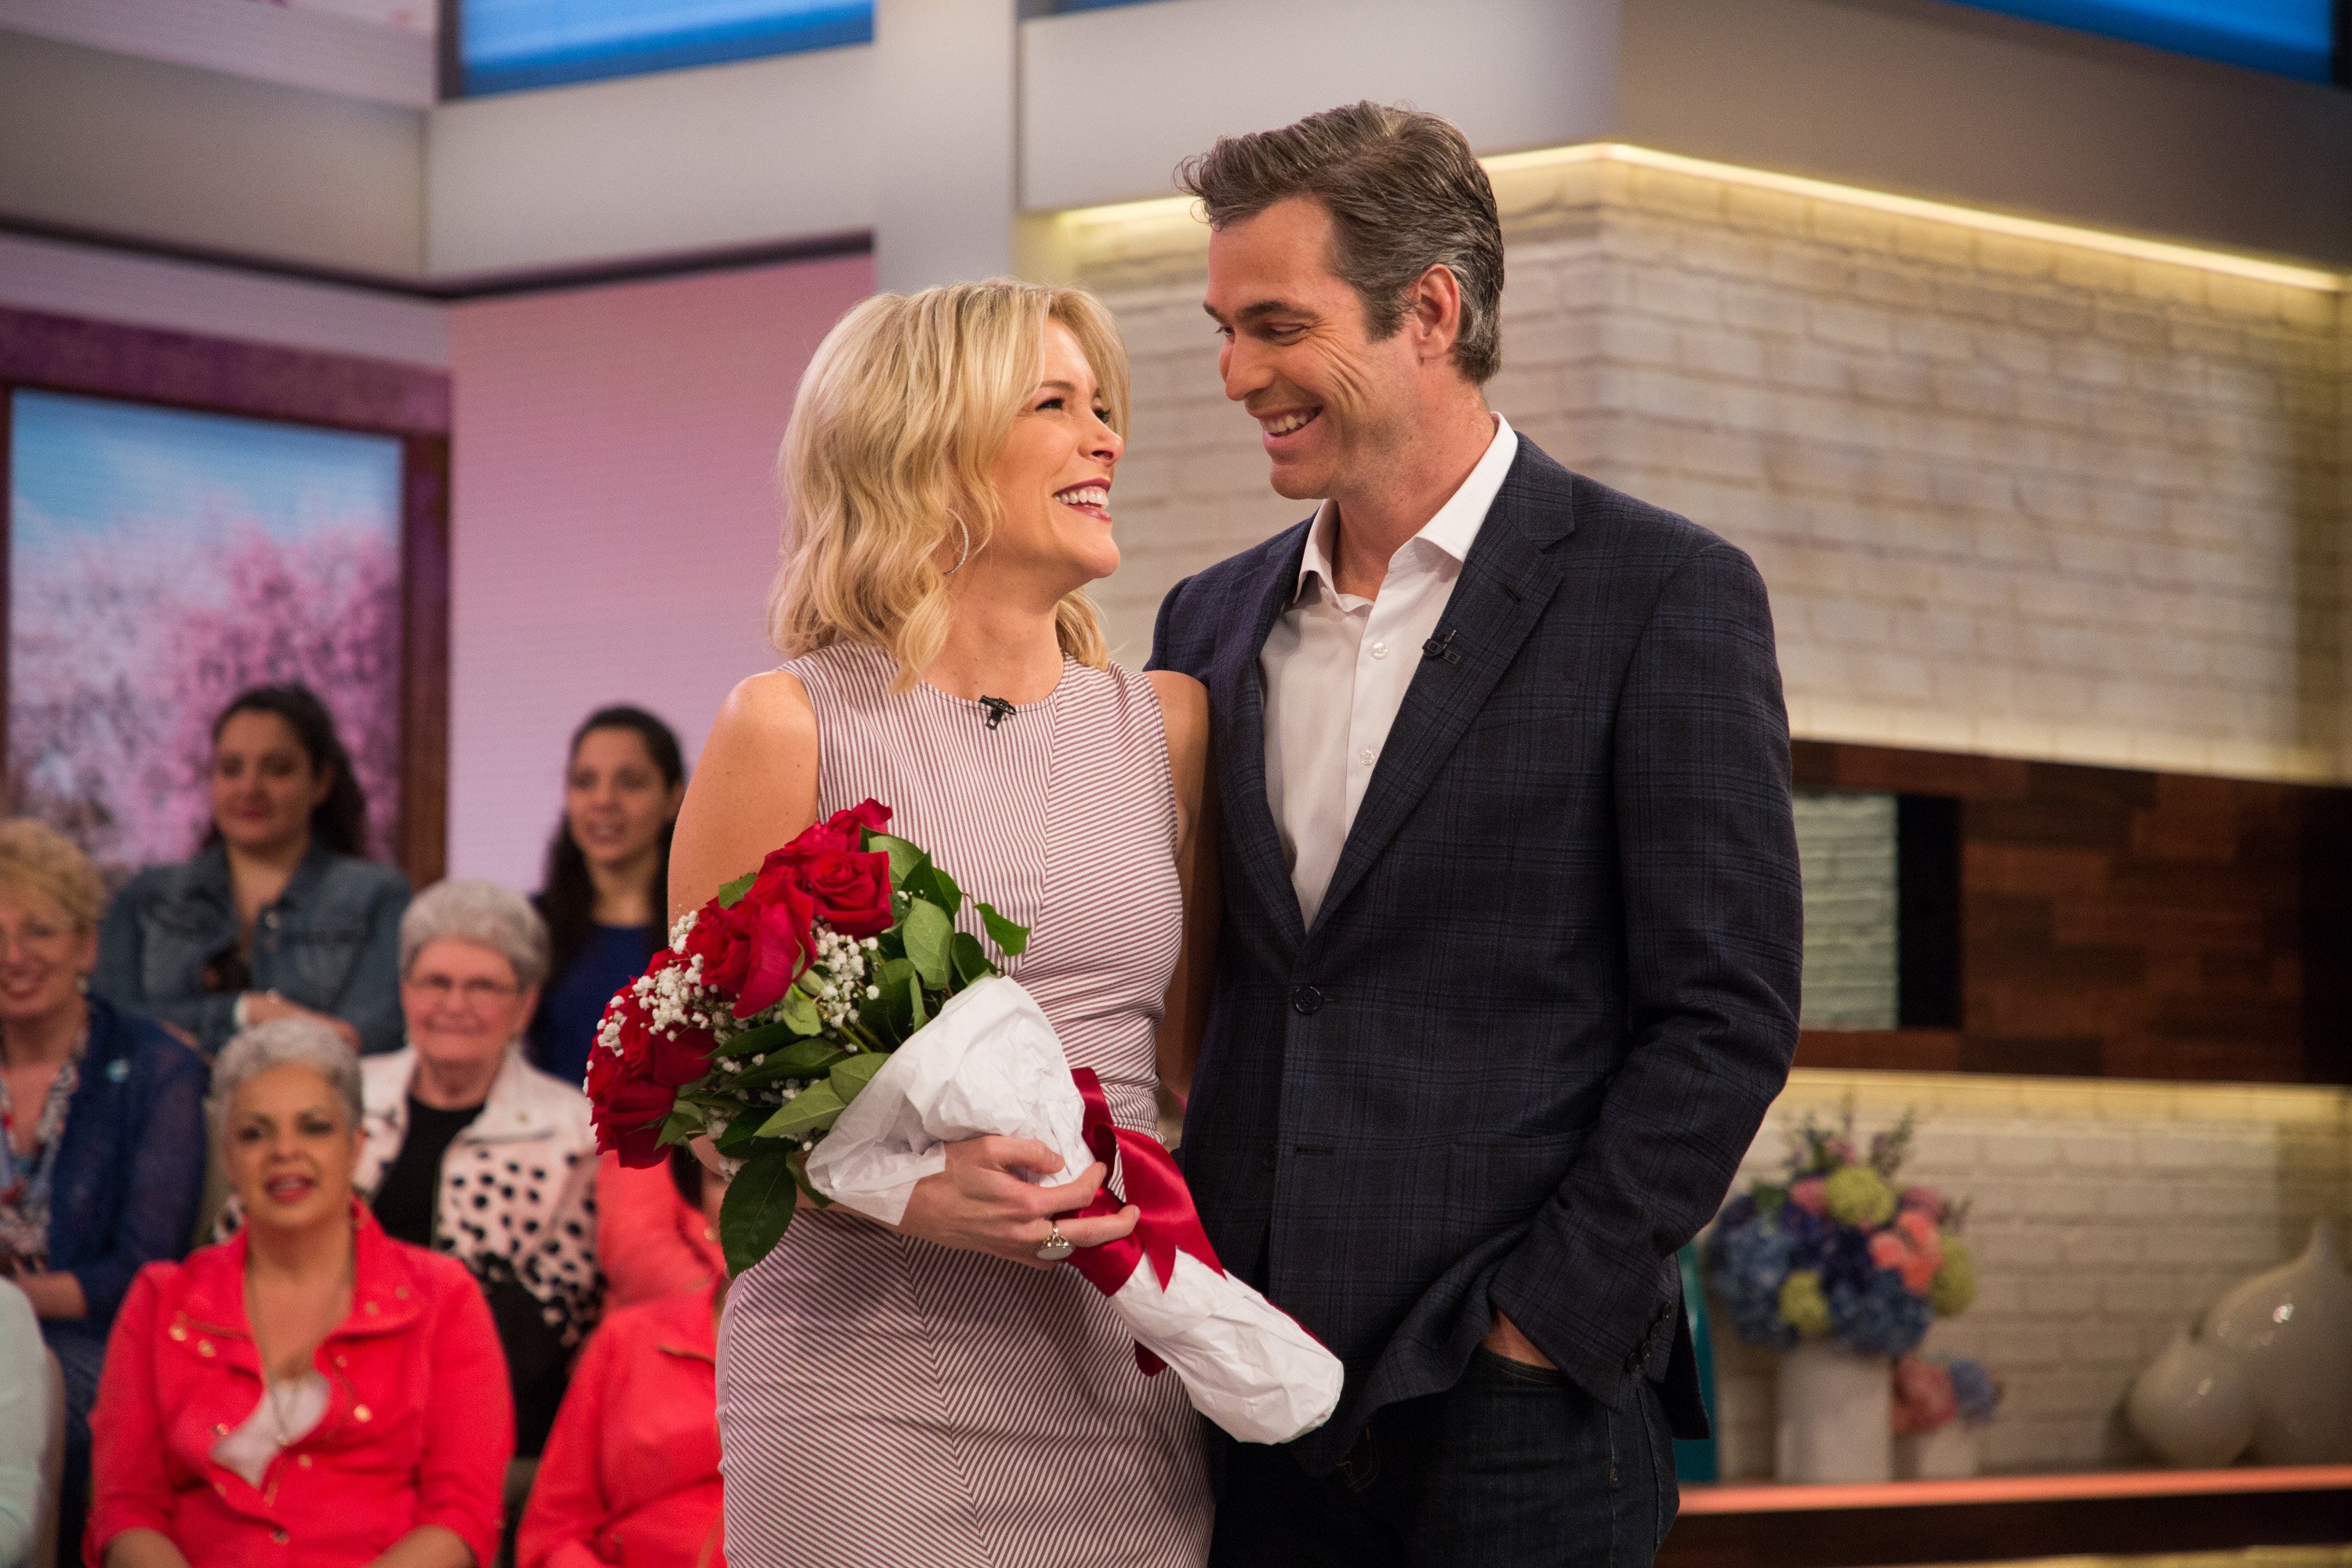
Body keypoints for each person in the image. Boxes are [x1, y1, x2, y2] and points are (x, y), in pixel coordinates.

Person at [1149, 104, 1804, 1566]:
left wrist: (1535, 1327)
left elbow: (1724, 1016)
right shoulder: (1204, 619)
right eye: (1223, 327)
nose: (1234, 373)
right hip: (1250, 1403)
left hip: (1521, 1413)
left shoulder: (1662, 594)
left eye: (1273, 325)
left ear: (1428, 310)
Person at [670, 279, 1214, 1566]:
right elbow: (705, 1099)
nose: (1107, 437)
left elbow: (1189, 1074)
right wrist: (909, 1194)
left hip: (1118, 1381)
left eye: (1104, 406)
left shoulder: (1171, 730)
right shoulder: (788, 726)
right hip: (860, 1385)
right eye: (1056, 404)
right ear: (930, 445)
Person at [85, 1018, 511, 1567]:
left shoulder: (444, 1299)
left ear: (356, 1145)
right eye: (254, 1133)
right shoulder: (160, 1300)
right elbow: (127, 1509)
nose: (284, 1151)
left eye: (314, 1127)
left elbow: (461, 1515)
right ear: (228, 1157)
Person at [0, 819, 207, 1567]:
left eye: (40, 931)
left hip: (94, 1340)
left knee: (36, 1390)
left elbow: (141, 1269)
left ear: (86, 945)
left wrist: (13, 1303)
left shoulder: (156, 1070)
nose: (14, 957)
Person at [361, 880, 601, 1461]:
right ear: (404, 991)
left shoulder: (574, 1131)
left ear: (525, 1007)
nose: (454, 1006)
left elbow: (551, 1316)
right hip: (316, 1385)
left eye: (483, 987)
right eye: (436, 982)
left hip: (476, 1414)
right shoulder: (342, 1097)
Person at [95, 684, 409, 1058]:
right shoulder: (145, 897)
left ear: (321, 782)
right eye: (231, 769)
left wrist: (187, 1034)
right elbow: (109, 1027)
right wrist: (247, 1012)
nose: (249, 788)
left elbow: (367, 1037)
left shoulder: (377, 896)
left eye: (277, 770)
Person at [516, 1145, 728, 1568]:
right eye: (723, 1176)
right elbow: (555, 1531)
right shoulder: (627, 1339)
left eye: (769, 1173)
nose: (750, 1196)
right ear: (698, 1201)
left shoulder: (853, 1352)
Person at [527, 706, 686, 1091]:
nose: (603, 800)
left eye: (630, 782)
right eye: (585, 781)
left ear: (673, 798)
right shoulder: (529, 927)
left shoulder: (696, 935)